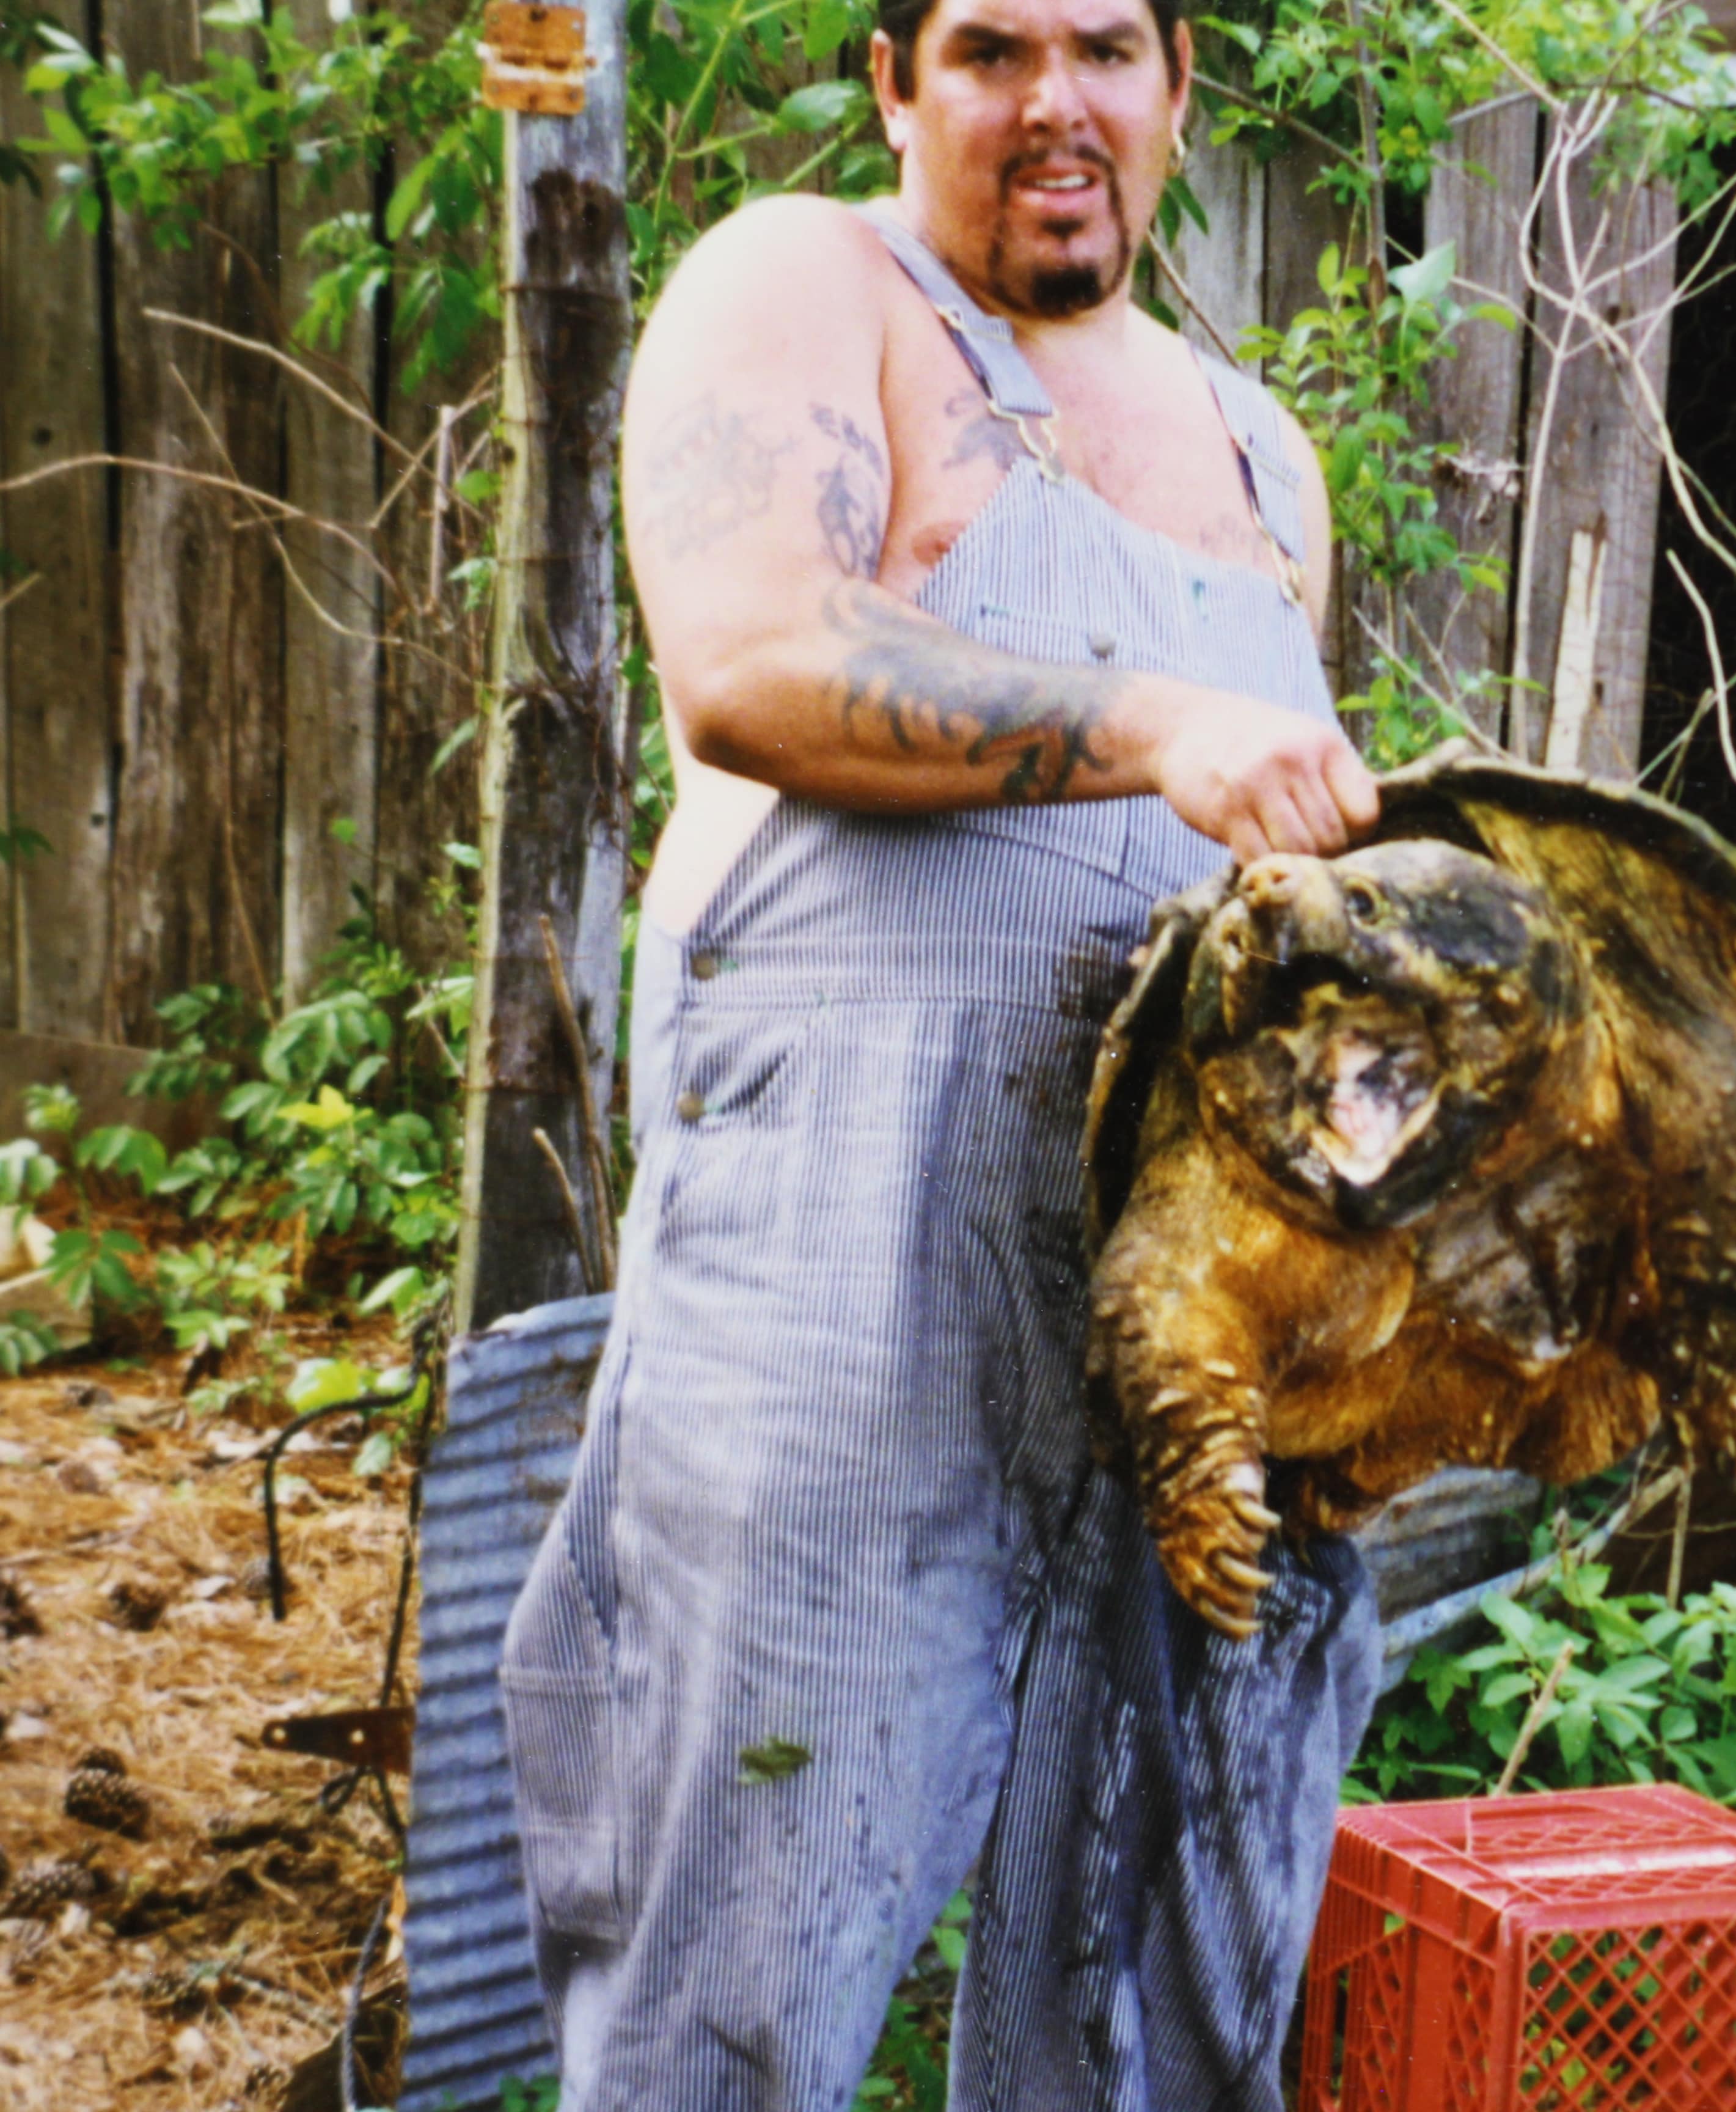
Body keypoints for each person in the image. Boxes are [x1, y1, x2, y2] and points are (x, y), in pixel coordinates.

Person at [497, 0, 1385, 2103]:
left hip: (1187, 1328)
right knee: (748, 1960)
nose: (1056, 103)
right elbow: (749, 658)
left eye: (1108, 47)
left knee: (1157, 1983)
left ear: (1179, 89)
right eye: (991, 49)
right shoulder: (813, 291)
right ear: (896, 84)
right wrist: (1161, 723)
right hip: (845, 1299)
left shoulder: (1266, 458)